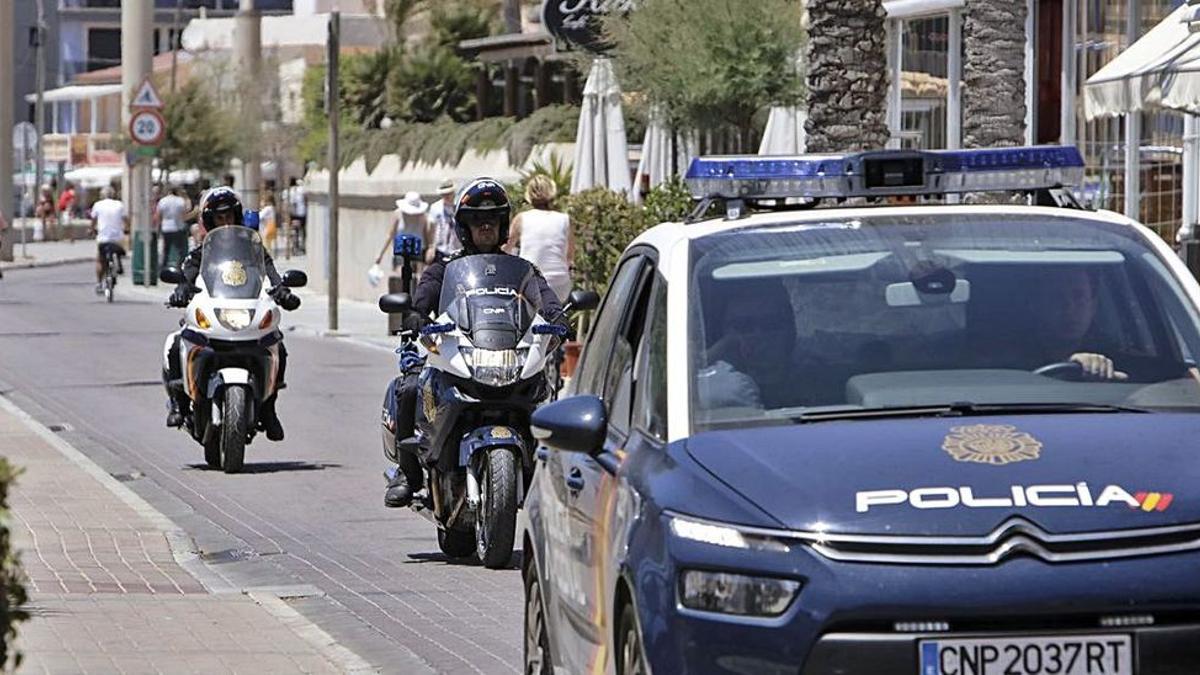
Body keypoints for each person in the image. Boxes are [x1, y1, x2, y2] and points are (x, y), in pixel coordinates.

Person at [383, 178, 566, 507]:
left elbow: (548, 301)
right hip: (460, 351)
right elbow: (422, 300)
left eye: (492, 221)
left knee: (550, 392)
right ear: (464, 227)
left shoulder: (524, 270)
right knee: (409, 387)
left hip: (507, 353)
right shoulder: (444, 269)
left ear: (503, 226)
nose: (485, 227)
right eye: (477, 221)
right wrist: (414, 315)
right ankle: (407, 474)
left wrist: (559, 319)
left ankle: (552, 474)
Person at [163, 187, 298, 440]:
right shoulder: (201, 254)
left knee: (278, 346)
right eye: (219, 218)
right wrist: (181, 288)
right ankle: (179, 403)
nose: (225, 223)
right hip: (214, 317)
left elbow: (271, 274)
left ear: (236, 217)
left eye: (229, 217)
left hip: (247, 317)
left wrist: (282, 291)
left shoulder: (254, 251)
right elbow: (188, 274)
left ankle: (269, 409)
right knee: (174, 343)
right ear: (210, 221)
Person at [697, 280, 800, 411]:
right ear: (724, 334)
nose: (758, 335)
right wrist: (706, 359)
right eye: (744, 326)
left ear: (791, 329)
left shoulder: (820, 379)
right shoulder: (704, 390)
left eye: (771, 324)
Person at [506, 175, 574, 302]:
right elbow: (569, 257)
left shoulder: (521, 218)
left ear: (529, 195)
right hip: (560, 284)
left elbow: (506, 248)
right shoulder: (564, 219)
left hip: (531, 282)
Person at [375, 191, 432, 273]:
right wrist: (380, 254)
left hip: (418, 249)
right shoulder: (398, 214)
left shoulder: (423, 216)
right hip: (401, 249)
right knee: (401, 274)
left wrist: (429, 249)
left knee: (419, 276)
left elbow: (427, 235)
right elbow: (390, 234)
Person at [89, 186, 128, 294]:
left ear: (102, 195)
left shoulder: (98, 205)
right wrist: (127, 229)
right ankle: (118, 263)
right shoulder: (119, 205)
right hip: (117, 238)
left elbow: (93, 220)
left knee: (100, 259)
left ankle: (99, 283)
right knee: (120, 247)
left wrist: (91, 230)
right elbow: (126, 219)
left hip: (103, 237)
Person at [425, 178, 460, 263]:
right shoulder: (435, 207)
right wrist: (431, 247)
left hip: (458, 249)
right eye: (444, 194)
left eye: (449, 194)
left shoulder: (459, 206)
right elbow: (431, 228)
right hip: (441, 250)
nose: (446, 196)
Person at [156, 185, 191, 268]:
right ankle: (179, 266)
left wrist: (159, 227)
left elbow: (159, 215)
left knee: (166, 249)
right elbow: (184, 214)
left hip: (166, 228)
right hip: (178, 227)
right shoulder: (180, 201)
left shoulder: (162, 201)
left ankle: (164, 266)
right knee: (180, 249)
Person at [286, 177, 307, 255]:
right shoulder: (302, 190)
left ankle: (295, 246)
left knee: (295, 231)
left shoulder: (290, 191)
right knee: (303, 231)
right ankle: (302, 246)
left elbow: (288, 203)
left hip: (293, 214)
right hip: (302, 213)